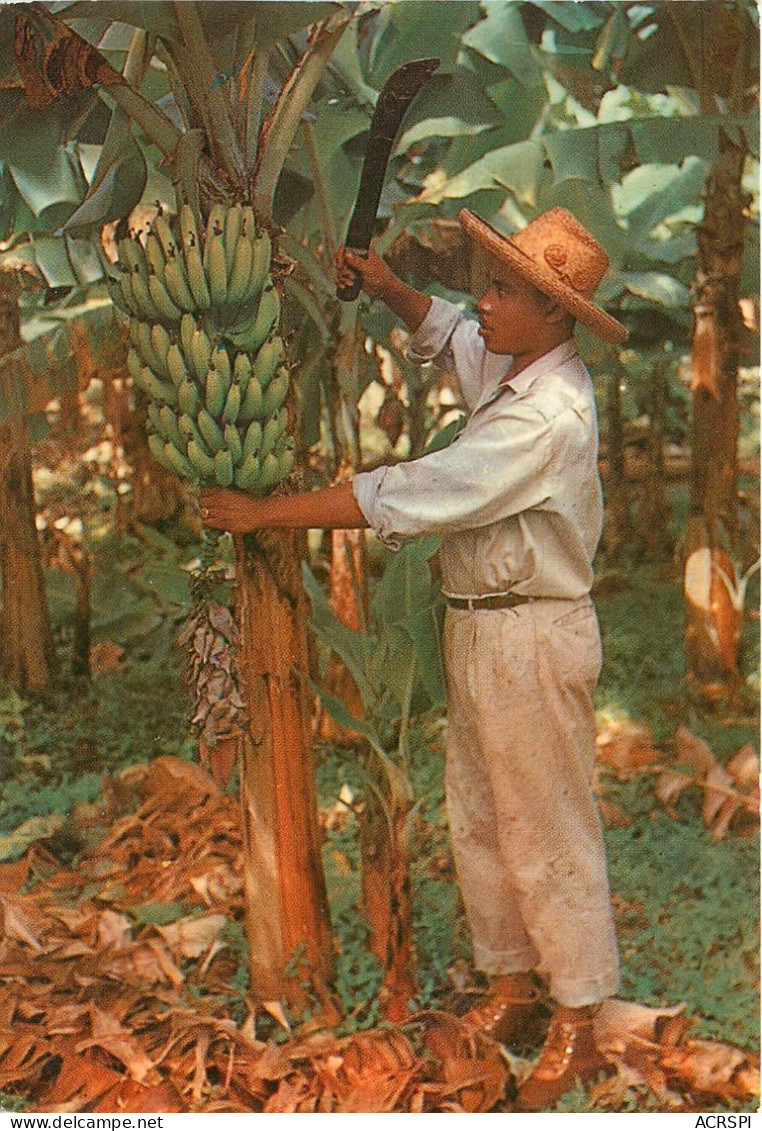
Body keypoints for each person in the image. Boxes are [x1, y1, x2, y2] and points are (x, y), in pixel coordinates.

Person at [200, 207, 629, 1110]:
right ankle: (513, 983)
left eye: (504, 290)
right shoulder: (516, 366)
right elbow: (455, 340)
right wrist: (394, 289)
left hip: (531, 632)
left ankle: (580, 1017)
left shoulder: (548, 415)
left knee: (546, 823)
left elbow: (424, 488)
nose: (485, 299)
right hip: (478, 623)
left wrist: (265, 514)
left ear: (556, 319)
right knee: (477, 810)